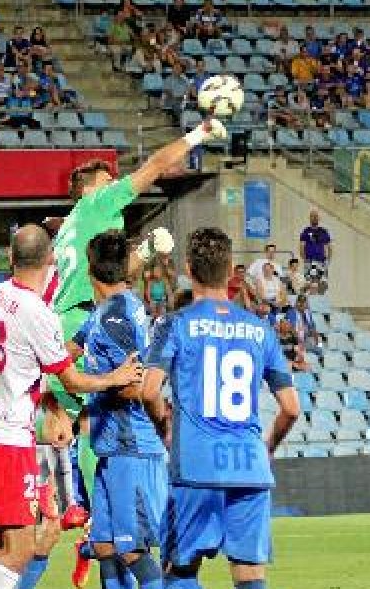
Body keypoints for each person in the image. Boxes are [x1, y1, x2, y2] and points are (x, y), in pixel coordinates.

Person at [32, 118, 228, 588]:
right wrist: (198, 135)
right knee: (104, 407)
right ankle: (85, 504)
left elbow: (109, 274)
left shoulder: (75, 229)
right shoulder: (98, 203)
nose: (117, 187)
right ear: (89, 189)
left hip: (70, 322)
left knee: (83, 423)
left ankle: (85, 507)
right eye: (107, 181)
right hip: (85, 321)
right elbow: (156, 166)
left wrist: (146, 252)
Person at [0, 225, 142, 589]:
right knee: (20, 550)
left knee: (2, 546)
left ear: (10, 258)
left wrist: (49, 403)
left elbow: (27, 364)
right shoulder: (37, 313)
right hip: (8, 442)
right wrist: (115, 377)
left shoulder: (2, 295)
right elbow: (71, 380)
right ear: (51, 259)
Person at [140, 227, 300, 589]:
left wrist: (165, 429)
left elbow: (149, 392)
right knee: (250, 573)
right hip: (249, 466)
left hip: (196, 464)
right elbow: (291, 408)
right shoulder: (261, 330)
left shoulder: (175, 324)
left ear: (188, 269)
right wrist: (267, 448)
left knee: (181, 570)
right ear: (230, 271)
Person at [71, 230, 168, 588]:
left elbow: (136, 386)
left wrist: (99, 381)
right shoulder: (106, 312)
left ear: (90, 270)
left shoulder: (117, 319)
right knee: (105, 545)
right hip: (111, 448)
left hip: (131, 446)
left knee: (131, 549)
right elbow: (67, 352)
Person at [298, 209, 331, 285]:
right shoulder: (306, 231)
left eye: (316, 216)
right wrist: (305, 259)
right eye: (312, 216)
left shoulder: (323, 231)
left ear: (319, 218)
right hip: (309, 261)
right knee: (309, 283)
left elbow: (330, 246)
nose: (314, 218)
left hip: (321, 262)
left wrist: (327, 260)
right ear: (310, 218)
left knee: (322, 284)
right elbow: (301, 246)